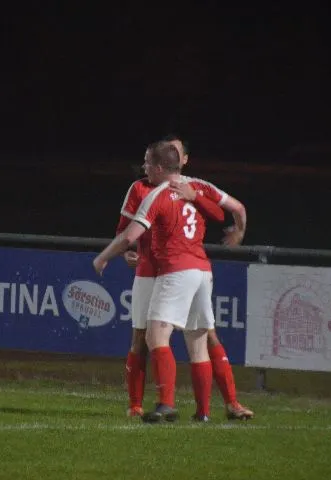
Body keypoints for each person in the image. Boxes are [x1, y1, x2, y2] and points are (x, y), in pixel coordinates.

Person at [94, 142, 246, 422]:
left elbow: (128, 235)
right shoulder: (154, 188)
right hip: (183, 269)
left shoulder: (172, 192)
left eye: (147, 162)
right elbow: (232, 210)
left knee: (160, 336)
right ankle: (178, 410)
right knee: (179, 339)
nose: (143, 167)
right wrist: (239, 231)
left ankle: (173, 404)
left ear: (165, 165)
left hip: (173, 270)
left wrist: (103, 257)